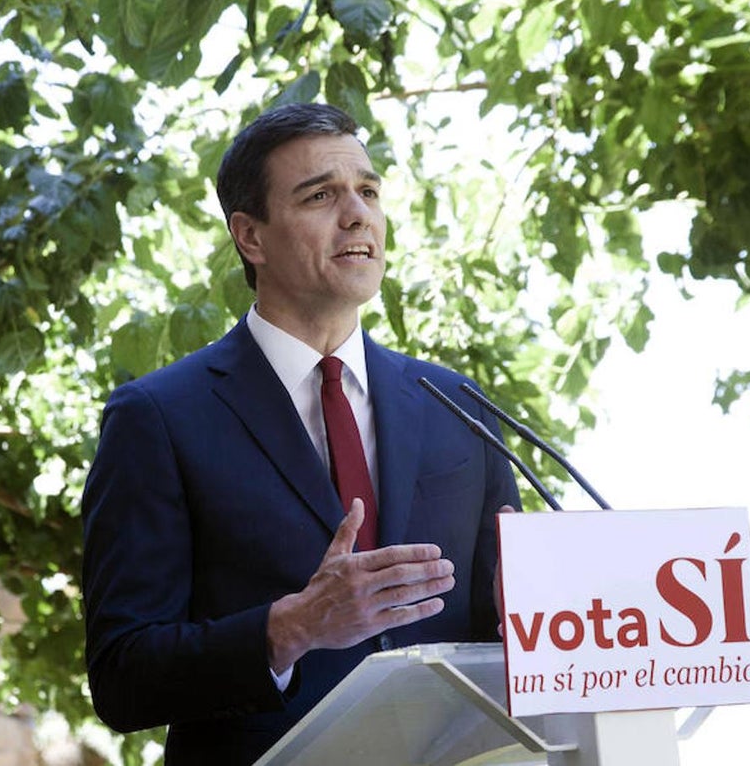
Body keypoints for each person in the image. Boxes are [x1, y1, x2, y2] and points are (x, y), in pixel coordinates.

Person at [81, 102, 521, 765]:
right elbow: (123, 675)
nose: (358, 214)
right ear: (250, 237)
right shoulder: (159, 417)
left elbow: (497, 630)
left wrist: (539, 624)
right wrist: (291, 628)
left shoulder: (456, 404)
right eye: (321, 195)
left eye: (368, 191)